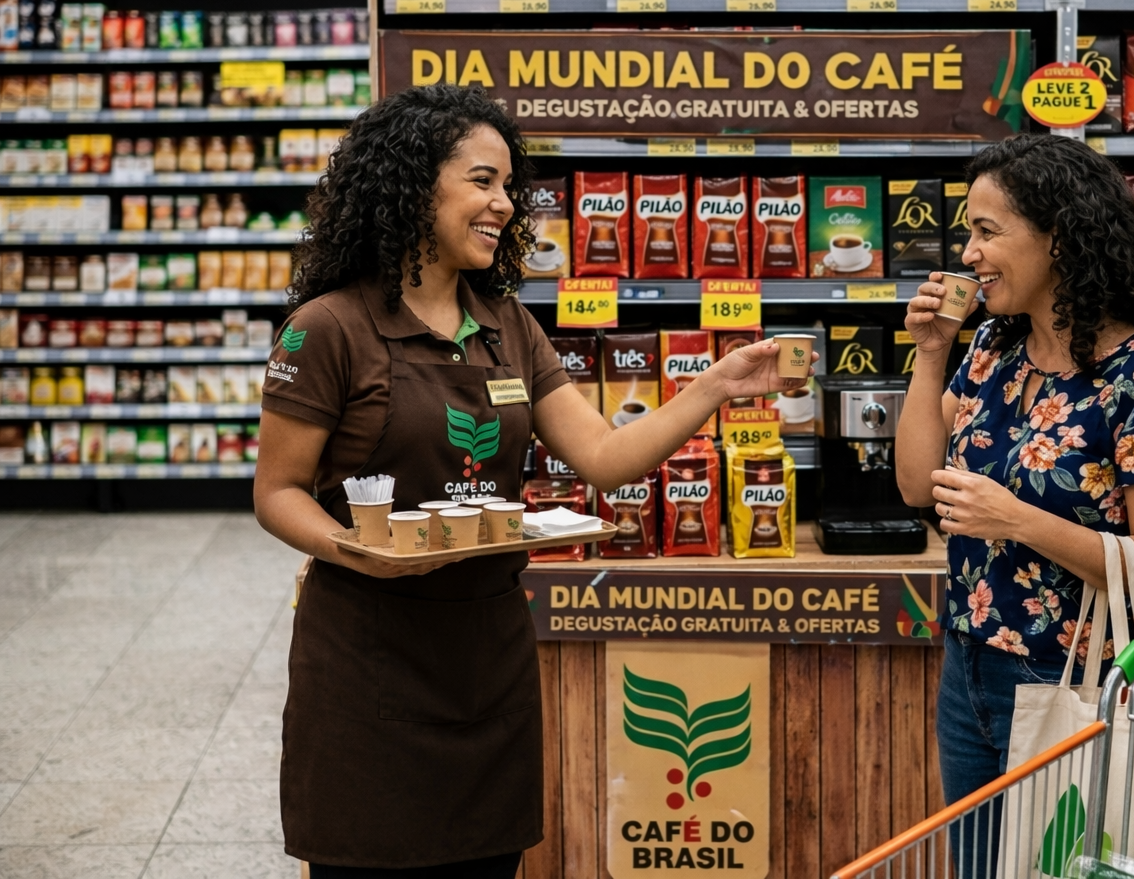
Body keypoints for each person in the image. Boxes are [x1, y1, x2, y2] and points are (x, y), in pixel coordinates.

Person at [254, 85, 809, 877]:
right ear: (414, 184)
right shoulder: (329, 327)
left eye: (508, 187)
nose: (505, 205)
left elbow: (605, 459)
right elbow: (276, 491)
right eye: (483, 181)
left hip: (487, 658)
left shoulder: (507, 322)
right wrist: (352, 547)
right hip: (366, 662)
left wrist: (714, 386)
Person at [895, 133, 1134, 846]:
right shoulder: (993, 349)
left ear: (1058, 239)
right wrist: (931, 355)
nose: (967, 253)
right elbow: (916, 485)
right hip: (968, 663)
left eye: (986, 231)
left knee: (1060, 864)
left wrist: (1018, 520)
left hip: (1077, 678)